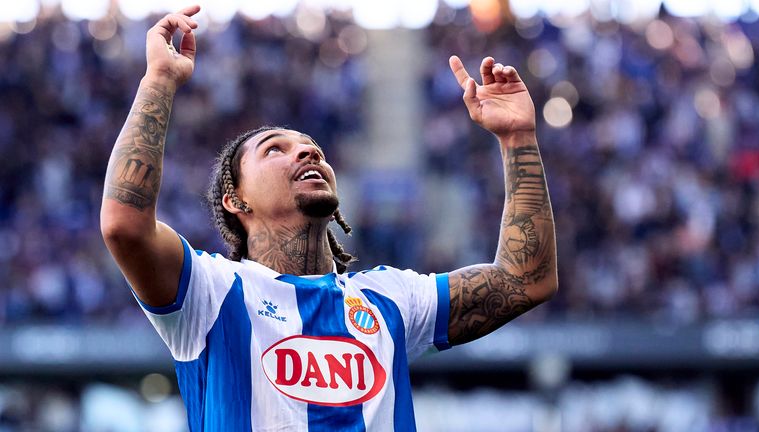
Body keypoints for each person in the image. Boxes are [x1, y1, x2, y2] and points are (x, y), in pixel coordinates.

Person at [100, 5, 558, 431]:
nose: (307, 150)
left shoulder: (390, 298)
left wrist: (517, 138)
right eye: (274, 149)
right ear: (235, 201)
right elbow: (125, 225)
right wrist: (159, 78)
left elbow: (525, 280)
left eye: (311, 146)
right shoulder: (209, 292)